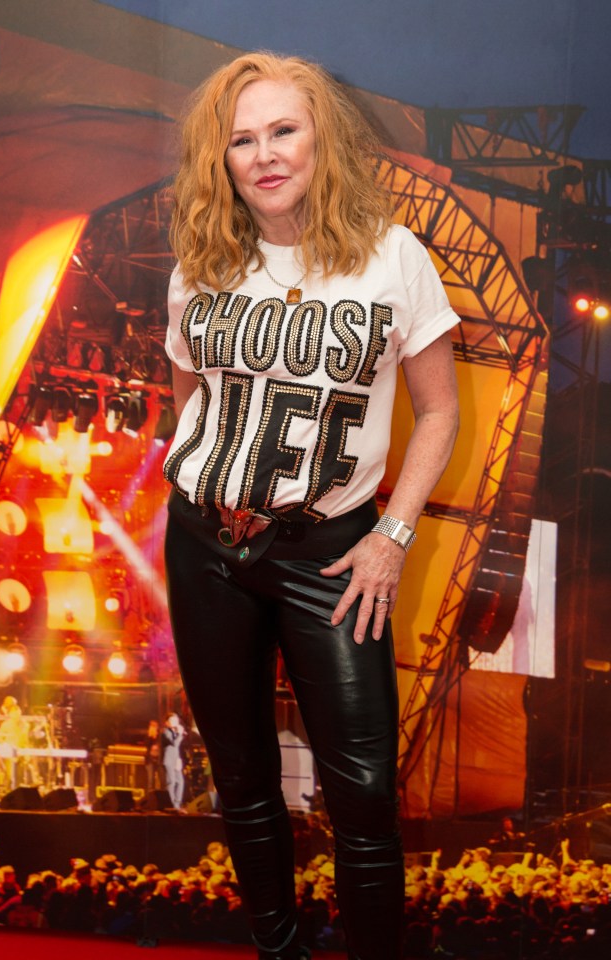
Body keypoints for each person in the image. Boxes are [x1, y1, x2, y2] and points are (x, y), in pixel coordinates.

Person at [163, 51, 460, 960]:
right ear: (221, 159)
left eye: (282, 130)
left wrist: (392, 539)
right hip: (205, 544)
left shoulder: (393, 256)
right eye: (241, 139)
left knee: (364, 791)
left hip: (333, 554)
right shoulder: (202, 262)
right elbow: (189, 397)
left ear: (321, 136)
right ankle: (279, 949)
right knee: (242, 779)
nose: (263, 155)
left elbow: (441, 410)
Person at [160, 713, 185, 810]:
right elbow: (174, 743)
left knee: (180, 782)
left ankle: (177, 804)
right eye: (171, 720)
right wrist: (180, 733)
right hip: (169, 760)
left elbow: (177, 748)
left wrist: (178, 759)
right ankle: (171, 804)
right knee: (172, 782)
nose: (174, 722)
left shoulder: (175, 732)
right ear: (167, 723)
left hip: (175, 760)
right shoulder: (165, 732)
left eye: (175, 720)